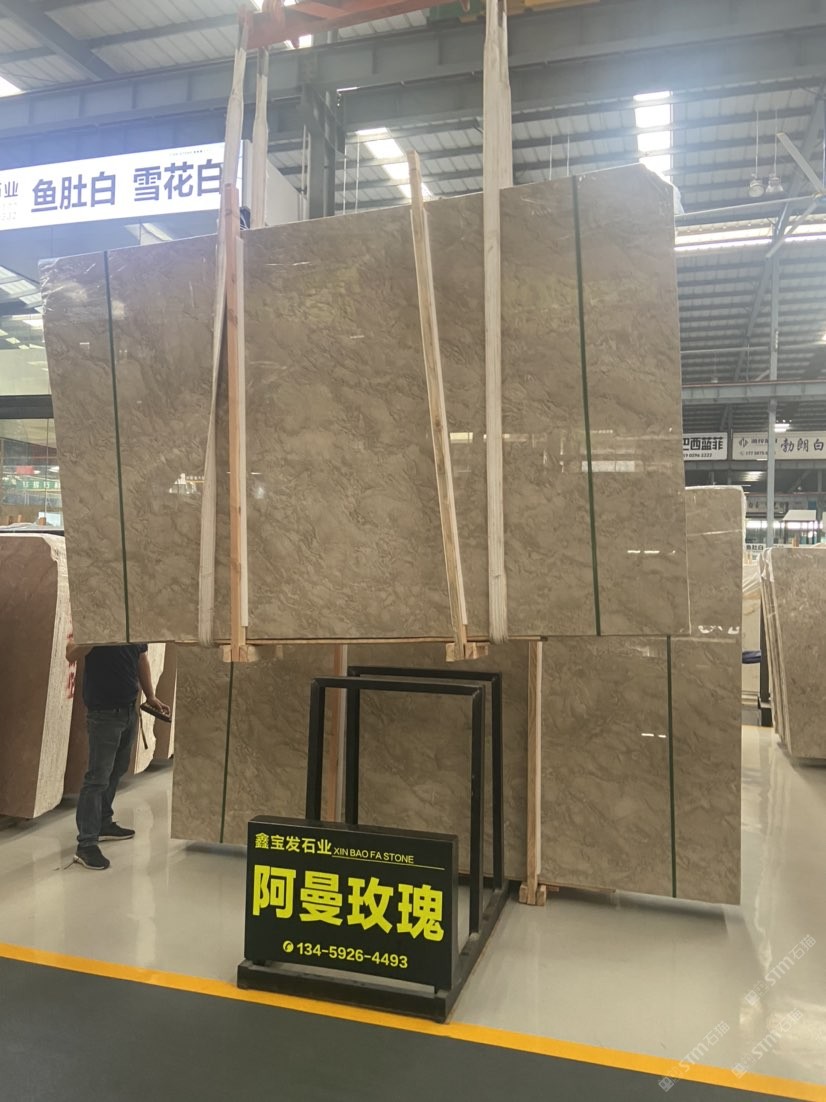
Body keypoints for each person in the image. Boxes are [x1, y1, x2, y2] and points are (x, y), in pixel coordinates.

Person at [65, 641, 169, 871]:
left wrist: (150, 695)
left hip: (128, 710)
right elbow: (70, 654)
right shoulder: (97, 624)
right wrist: (92, 639)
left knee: (117, 769)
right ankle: (86, 844)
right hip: (103, 713)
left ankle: (103, 822)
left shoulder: (131, 626)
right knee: (97, 778)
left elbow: (141, 657)